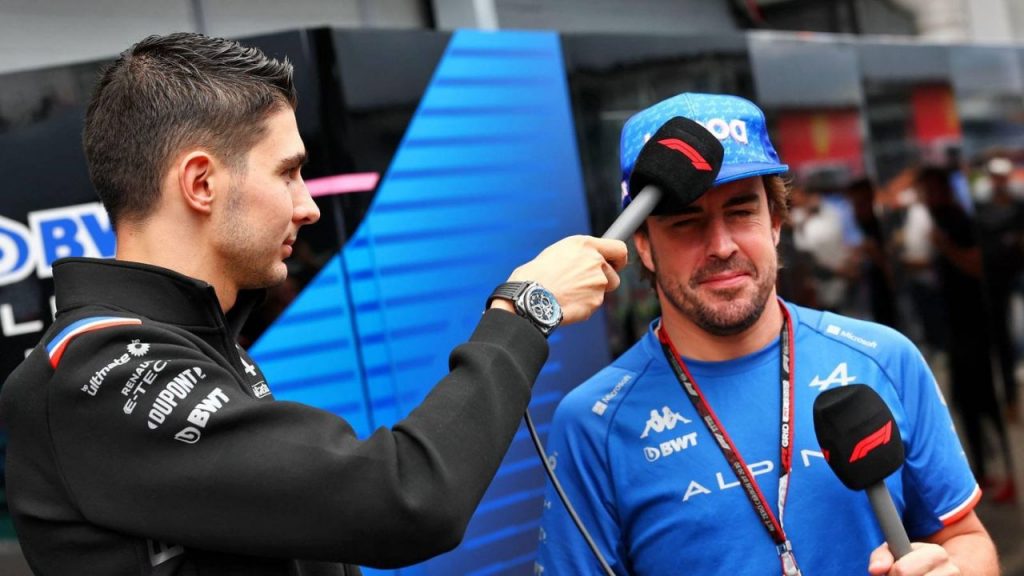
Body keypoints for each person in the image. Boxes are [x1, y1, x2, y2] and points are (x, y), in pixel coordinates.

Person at [0, 33, 627, 576]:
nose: (309, 205)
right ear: (200, 183)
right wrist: (525, 311)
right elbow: (406, 496)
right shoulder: (91, 372)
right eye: (288, 172)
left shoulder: (191, 340)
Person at [536, 93, 998, 576]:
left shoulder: (884, 357)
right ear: (645, 247)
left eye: (740, 212)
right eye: (686, 223)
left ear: (776, 222)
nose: (721, 246)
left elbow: (965, 538)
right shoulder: (593, 423)